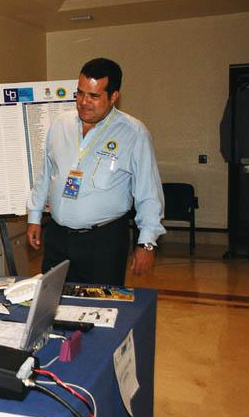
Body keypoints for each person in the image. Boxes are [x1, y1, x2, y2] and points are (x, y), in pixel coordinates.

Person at [26, 58, 165, 285]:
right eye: (80, 93)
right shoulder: (60, 125)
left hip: (103, 242)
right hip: (58, 238)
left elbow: (148, 192)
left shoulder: (134, 133)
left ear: (114, 96)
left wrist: (146, 243)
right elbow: (46, 175)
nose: (84, 102)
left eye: (94, 96)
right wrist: (34, 216)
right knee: (52, 300)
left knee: (101, 304)